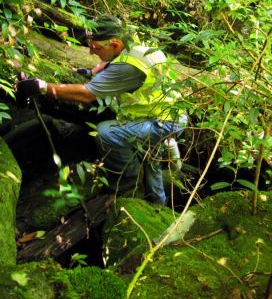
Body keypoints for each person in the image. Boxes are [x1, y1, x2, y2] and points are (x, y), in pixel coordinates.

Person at [16, 15, 187, 205]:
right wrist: (92, 71)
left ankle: (128, 184)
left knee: (106, 132)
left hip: (160, 123)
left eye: (95, 48)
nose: (90, 52)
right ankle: (158, 204)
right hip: (164, 112)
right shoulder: (133, 40)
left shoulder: (129, 67)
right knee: (152, 164)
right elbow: (115, 58)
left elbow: (86, 95)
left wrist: (42, 86)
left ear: (114, 44)